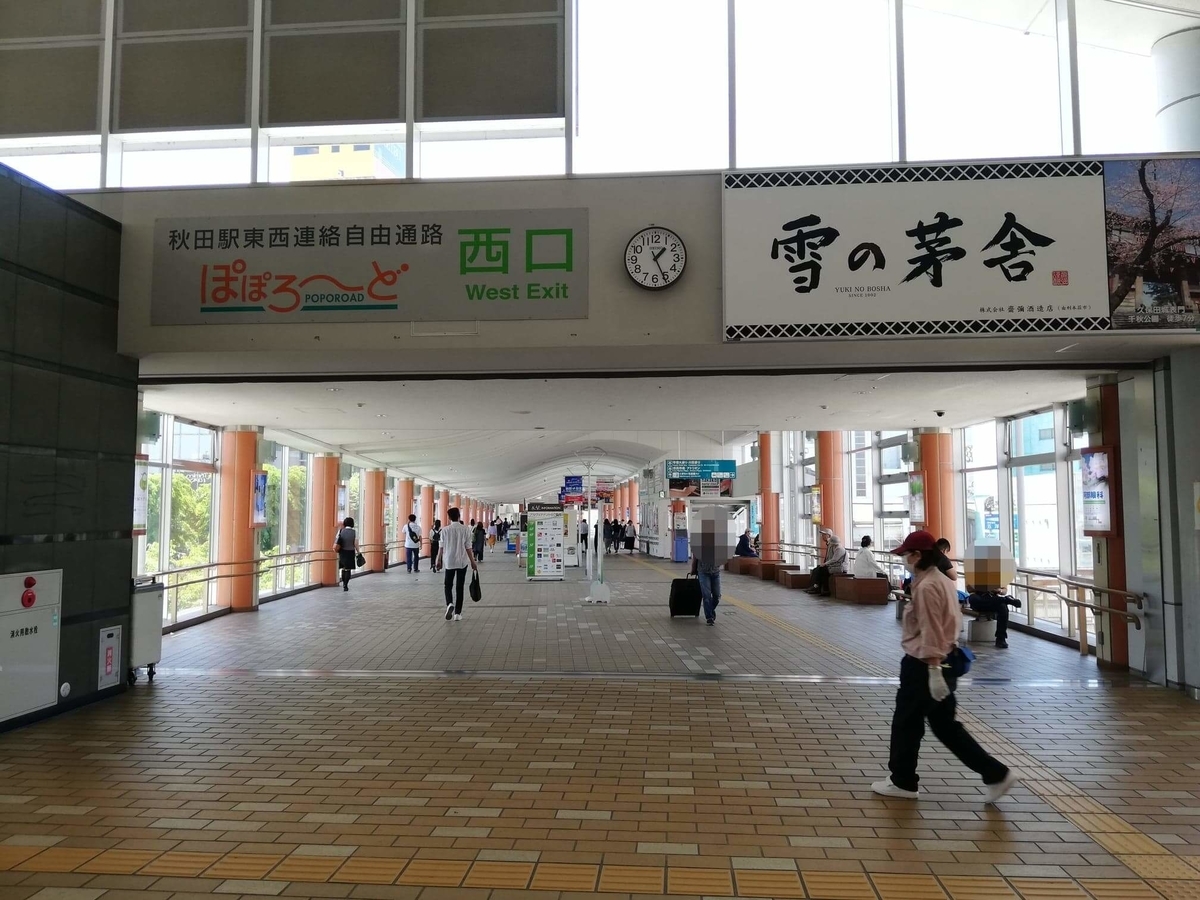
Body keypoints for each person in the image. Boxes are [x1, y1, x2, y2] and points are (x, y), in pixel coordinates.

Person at [872, 530, 1016, 803]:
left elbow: (931, 631)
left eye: (906, 554)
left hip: (924, 665)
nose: (904, 559)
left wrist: (934, 670)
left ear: (918, 556)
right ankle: (996, 774)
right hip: (945, 661)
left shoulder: (926, 587)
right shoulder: (941, 582)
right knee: (946, 727)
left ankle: (902, 781)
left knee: (906, 723)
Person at [437, 507, 477, 622]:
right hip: (462, 562)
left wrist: (438, 560)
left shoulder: (444, 530)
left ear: (449, 517)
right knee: (460, 587)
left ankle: (449, 603)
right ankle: (458, 614)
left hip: (449, 561)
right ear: (459, 516)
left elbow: (441, 547)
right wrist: (473, 561)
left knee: (447, 585)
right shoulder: (465, 529)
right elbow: (468, 547)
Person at [691, 522, 725, 626]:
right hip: (703, 572)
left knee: (717, 596)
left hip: (715, 572)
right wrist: (693, 569)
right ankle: (709, 617)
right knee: (706, 596)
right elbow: (695, 557)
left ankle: (710, 610)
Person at [966, 585, 1022, 649]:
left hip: (993, 598)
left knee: (1003, 607)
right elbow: (969, 588)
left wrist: (998, 590)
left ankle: (1001, 638)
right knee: (973, 598)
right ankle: (1006, 599)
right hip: (978, 597)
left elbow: (1004, 591)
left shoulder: (998, 575)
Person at [807, 530, 847, 596]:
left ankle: (822, 589)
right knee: (820, 569)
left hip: (839, 568)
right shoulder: (834, 547)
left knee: (823, 570)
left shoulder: (839, 549)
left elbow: (834, 559)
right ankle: (819, 587)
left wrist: (825, 564)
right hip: (834, 566)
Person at [334, 517, 357, 592]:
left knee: (343, 568)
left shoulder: (341, 531)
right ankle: (346, 584)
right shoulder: (354, 532)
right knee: (348, 569)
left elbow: (337, 539)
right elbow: (355, 543)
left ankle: (343, 582)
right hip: (350, 552)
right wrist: (358, 551)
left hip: (342, 552)